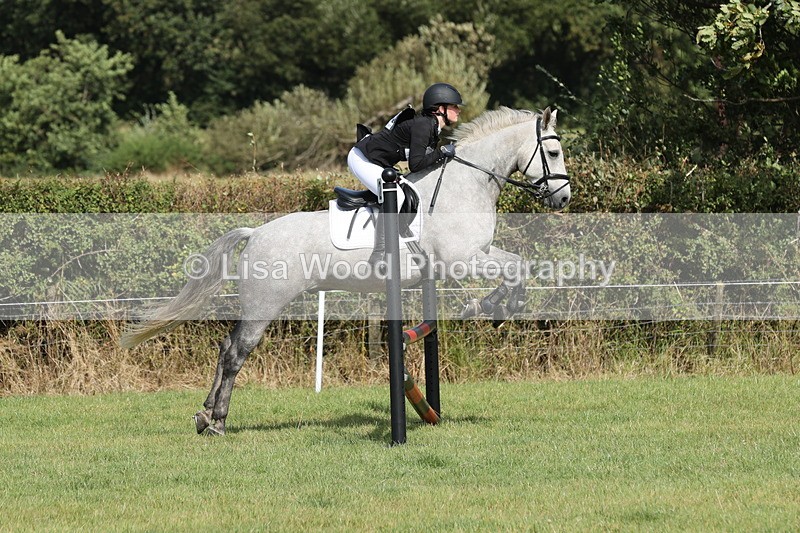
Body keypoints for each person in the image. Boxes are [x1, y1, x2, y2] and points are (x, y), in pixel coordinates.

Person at [347, 82, 465, 265]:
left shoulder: (432, 127)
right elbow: (417, 164)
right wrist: (441, 152)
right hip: (361, 158)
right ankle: (379, 254)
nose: (458, 110)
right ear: (440, 109)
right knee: (397, 196)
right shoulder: (424, 126)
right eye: (454, 106)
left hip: (378, 162)